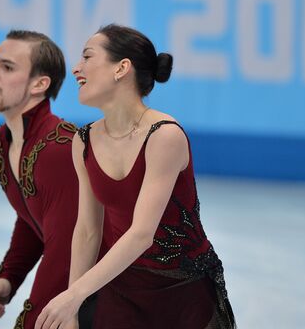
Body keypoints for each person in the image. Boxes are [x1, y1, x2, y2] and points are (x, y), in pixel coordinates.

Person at [35, 24, 236, 329]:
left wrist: (75, 295)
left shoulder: (164, 136)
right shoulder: (84, 140)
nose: (76, 69)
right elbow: (88, 230)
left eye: (87, 57)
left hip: (184, 295)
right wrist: (73, 307)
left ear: (122, 68)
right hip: (122, 288)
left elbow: (142, 234)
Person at [0, 30, 102, 329]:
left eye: (7, 68)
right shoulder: (0, 142)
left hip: (112, 288)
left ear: (39, 84)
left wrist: (33, 318)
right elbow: (33, 217)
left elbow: (68, 245)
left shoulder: (60, 147)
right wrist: (9, 277)